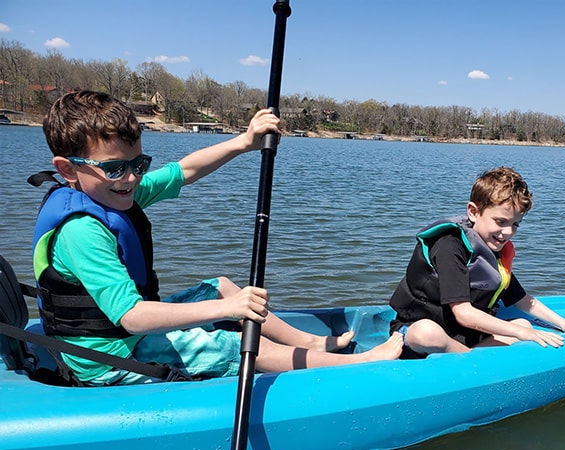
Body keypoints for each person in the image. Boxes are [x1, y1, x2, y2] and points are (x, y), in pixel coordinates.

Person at [33, 90, 402, 385]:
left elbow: (184, 170)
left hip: (119, 336)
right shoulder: (83, 230)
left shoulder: (111, 193)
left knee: (221, 286)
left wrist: (244, 141)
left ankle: (307, 343)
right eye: (115, 168)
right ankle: (360, 364)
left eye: (137, 165)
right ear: (67, 169)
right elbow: (132, 316)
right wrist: (230, 310)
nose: (130, 178)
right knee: (234, 342)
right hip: (107, 357)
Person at [389, 166, 565, 357]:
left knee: (522, 322)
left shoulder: (492, 249)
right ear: (473, 212)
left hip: (464, 335)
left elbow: (525, 300)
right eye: (501, 221)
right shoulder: (448, 246)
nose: (508, 232)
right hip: (418, 334)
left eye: (516, 224)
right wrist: (519, 333)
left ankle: (465, 355)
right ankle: (472, 362)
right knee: (426, 333)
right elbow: (462, 312)